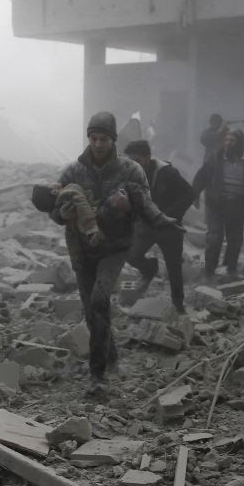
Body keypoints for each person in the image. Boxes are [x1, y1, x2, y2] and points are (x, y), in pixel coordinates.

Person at [31, 112, 182, 394]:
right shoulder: (72, 172)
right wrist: (62, 214)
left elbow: (145, 205)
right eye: (94, 138)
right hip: (82, 250)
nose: (98, 144)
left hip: (114, 247)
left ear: (113, 140)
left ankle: (97, 374)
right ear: (89, 139)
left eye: (104, 139)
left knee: (101, 300)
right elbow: (55, 211)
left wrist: (159, 219)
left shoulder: (131, 170)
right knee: (91, 310)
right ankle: (110, 355)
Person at [123, 139, 195, 313]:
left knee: (173, 268)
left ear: (148, 157)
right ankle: (150, 269)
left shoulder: (167, 172)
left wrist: (168, 215)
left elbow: (189, 193)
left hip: (169, 227)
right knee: (131, 255)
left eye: (137, 160)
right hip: (147, 226)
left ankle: (178, 305)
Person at [192, 129, 244, 280]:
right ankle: (209, 271)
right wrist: (195, 195)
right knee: (214, 237)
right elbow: (202, 175)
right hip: (217, 204)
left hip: (238, 205)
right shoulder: (216, 157)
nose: (228, 144)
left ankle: (231, 268)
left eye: (232, 141)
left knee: (235, 239)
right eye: (226, 140)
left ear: (240, 143)